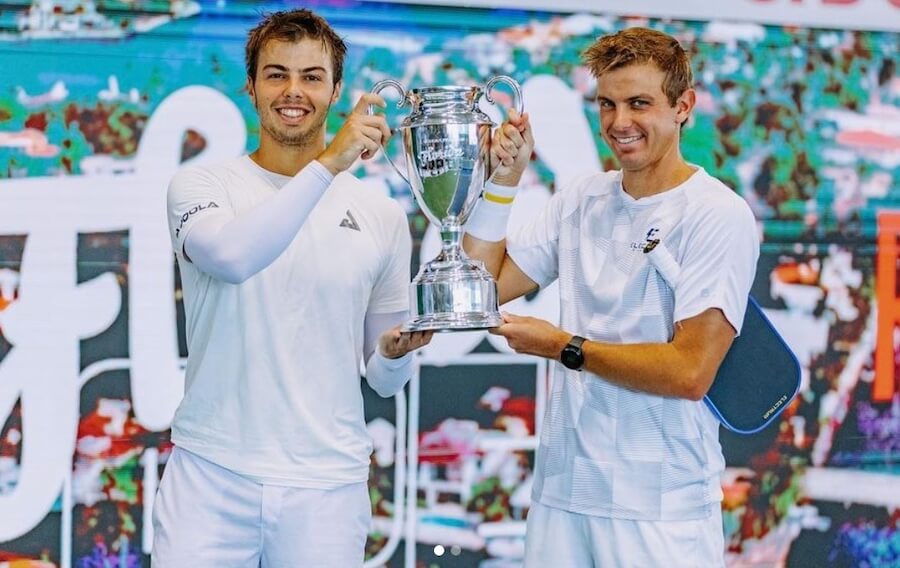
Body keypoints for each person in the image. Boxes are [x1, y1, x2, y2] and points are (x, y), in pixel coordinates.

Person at [463, 27, 759, 566]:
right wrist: (502, 182)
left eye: (639, 103)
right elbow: (477, 288)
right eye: (607, 104)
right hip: (563, 497)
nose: (619, 123)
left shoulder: (717, 214)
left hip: (661, 509)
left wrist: (563, 347)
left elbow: (690, 371)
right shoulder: (582, 198)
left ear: (682, 107)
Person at [152, 9, 432, 567]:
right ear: (251, 87)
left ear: (335, 91)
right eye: (277, 73)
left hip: (327, 487)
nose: (293, 91)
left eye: (312, 76)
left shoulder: (381, 214)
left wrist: (397, 352)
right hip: (210, 474)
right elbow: (233, 258)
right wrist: (329, 165)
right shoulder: (202, 185)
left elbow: (382, 379)